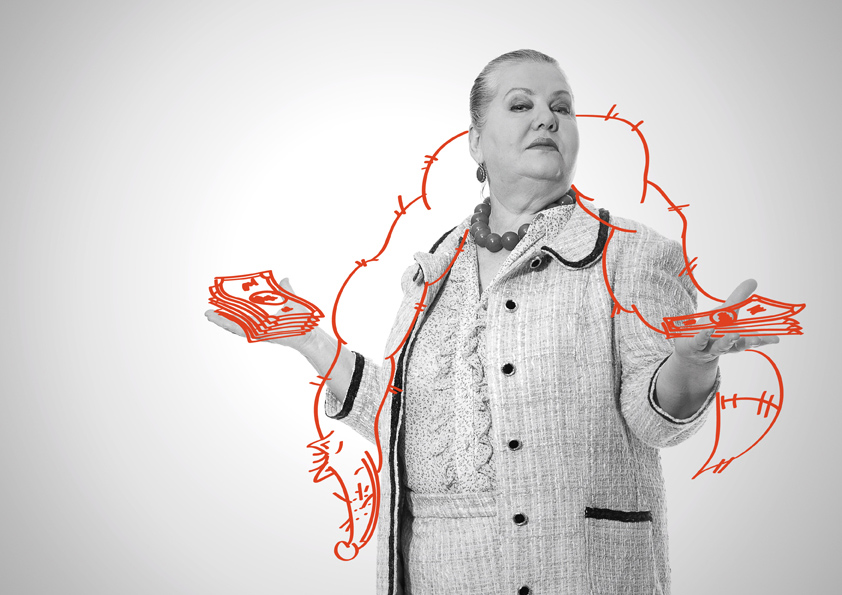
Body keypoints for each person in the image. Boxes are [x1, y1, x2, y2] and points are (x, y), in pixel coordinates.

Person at [207, 49, 777, 595]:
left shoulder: (631, 254)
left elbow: (656, 423)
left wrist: (691, 363)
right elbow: (405, 423)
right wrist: (308, 338)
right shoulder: (434, 267)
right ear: (476, 141)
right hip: (436, 574)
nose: (547, 118)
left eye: (561, 106)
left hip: (574, 571)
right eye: (521, 104)